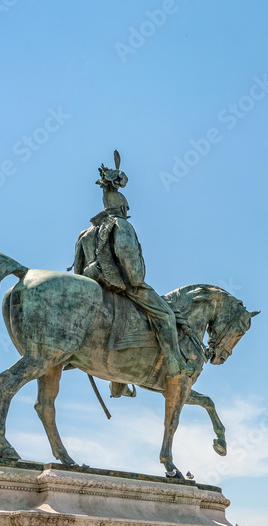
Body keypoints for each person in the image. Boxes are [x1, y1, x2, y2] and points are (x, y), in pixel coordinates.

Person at [72, 153, 192, 380]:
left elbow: (77, 269)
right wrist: (136, 281)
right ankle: (176, 363)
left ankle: (119, 383)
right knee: (166, 315)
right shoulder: (122, 226)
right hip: (119, 283)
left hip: (92, 284)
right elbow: (128, 259)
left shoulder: (86, 233)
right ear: (123, 205)